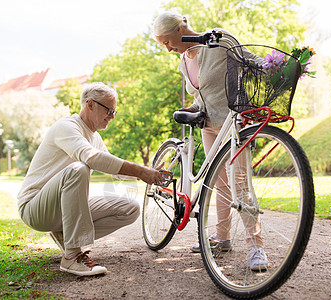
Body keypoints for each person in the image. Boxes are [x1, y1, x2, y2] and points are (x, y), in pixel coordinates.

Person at [153, 11, 268, 271]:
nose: (168, 48)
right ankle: (222, 238)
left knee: (240, 187)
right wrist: (193, 109)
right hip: (208, 127)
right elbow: (201, 96)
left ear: (179, 28)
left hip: (235, 125)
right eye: (163, 45)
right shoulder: (184, 60)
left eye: (167, 41)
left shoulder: (217, 40)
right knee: (220, 184)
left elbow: (251, 61)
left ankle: (256, 247)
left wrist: (279, 68)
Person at [17, 82, 166, 276]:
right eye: (109, 110)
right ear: (90, 104)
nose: (112, 117)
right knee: (79, 169)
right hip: (35, 208)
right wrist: (141, 171)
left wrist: (147, 172)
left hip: (61, 209)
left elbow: (115, 170)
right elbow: (92, 158)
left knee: (130, 209)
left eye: (115, 112)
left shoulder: (94, 137)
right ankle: (71, 256)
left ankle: (66, 236)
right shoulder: (66, 127)